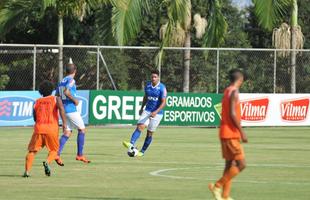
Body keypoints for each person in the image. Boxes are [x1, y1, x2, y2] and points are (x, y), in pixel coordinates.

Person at [208, 69, 248, 200]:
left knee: (229, 165)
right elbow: (232, 113)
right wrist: (242, 131)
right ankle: (218, 186)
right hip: (231, 134)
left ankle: (225, 196)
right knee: (241, 164)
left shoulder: (226, 91)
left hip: (224, 132)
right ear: (240, 79)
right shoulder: (234, 92)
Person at [23, 80, 66, 177]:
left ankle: (27, 171)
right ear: (52, 90)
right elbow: (62, 109)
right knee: (54, 150)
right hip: (52, 129)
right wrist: (64, 124)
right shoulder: (55, 99)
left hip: (39, 129)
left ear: (40, 91)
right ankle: (47, 162)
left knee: (32, 151)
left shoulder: (37, 101)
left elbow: (35, 118)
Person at [123, 69, 167, 157]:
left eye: (155, 77)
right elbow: (146, 97)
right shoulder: (147, 86)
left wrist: (156, 112)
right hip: (147, 111)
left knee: (149, 133)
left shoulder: (162, 88)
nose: (153, 78)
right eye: (152, 77)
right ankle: (131, 144)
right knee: (140, 126)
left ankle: (142, 152)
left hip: (157, 114)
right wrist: (141, 107)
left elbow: (164, 103)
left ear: (158, 78)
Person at [55, 59, 90, 165]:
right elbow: (66, 91)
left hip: (64, 108)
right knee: (82, 129)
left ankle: (57, 154)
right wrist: (74, 100)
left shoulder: (62, 81)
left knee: (67, 132)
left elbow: (57, 95)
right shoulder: (71, 80)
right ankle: (79, 155)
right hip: (70, 108)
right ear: (75, 71)